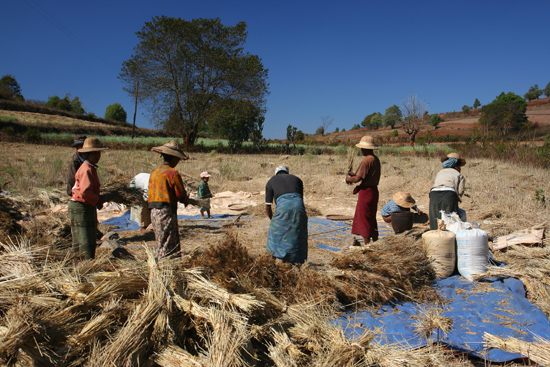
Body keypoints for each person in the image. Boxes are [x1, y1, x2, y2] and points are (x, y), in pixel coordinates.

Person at [148, 141, 197, 259]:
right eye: (178, 159)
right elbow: (180, 193)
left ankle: (167, 260)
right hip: (166, 211)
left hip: (153, 212)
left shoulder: (154, 173)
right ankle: (167, 264)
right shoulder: (173, 173)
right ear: (174, 159)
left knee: (161, 240)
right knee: (169, 240)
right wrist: (186, 199)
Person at [69, 137, 108, 259]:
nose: (98, 156)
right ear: (87, 154)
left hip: (81, 205)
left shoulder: (89, 167)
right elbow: (86, 192)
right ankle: (86, 265)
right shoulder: (87, 169)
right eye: (94, 153)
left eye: (99, 153)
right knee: (85, 239)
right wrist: (98, 199)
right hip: (82, 206)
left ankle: (80, 264)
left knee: (80, 238)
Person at [265, 166, 308, 264]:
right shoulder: (297, 179)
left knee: (275, 233)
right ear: (287, 172)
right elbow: (300, 199)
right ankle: (297, 260)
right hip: (298, 206)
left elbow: (267, 207)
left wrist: (272, 220)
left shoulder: (271, 181)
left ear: (276, 173)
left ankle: (275, 257)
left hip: (283, 206)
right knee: (297, 231)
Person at [346, 136, 381, 246]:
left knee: (364, 218)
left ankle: (367, 245)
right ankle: (375, 242)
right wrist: (355, 175)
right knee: (371, 217)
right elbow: (366, 175)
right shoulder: (375, 159)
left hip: (366, 192)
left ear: (366, 149)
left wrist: (349, 179)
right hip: (374, 192)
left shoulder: (366, 160)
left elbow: (357, 179)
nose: (361, 150)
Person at [429, 152, 466, 230]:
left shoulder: (440, 172)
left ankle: (435, 236)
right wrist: (456, 200)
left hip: (434, 194)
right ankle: (451, 237)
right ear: (456, 166)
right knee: (451, 217)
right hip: (449, 194)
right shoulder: (458, 174)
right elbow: (460, 191)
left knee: (435, 216)